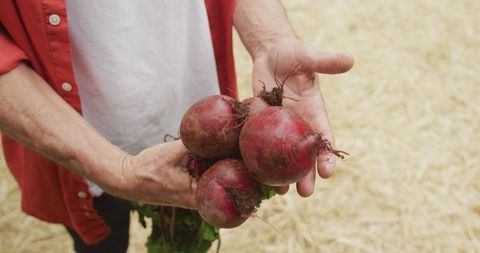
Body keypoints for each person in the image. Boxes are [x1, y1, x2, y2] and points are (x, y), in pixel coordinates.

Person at [0, 0, 354, 252]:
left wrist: (269, 39)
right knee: (100, 237)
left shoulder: (228, 135)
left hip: (207, 132)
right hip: (73, 137)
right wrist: (117, 170)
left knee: (188, 228)